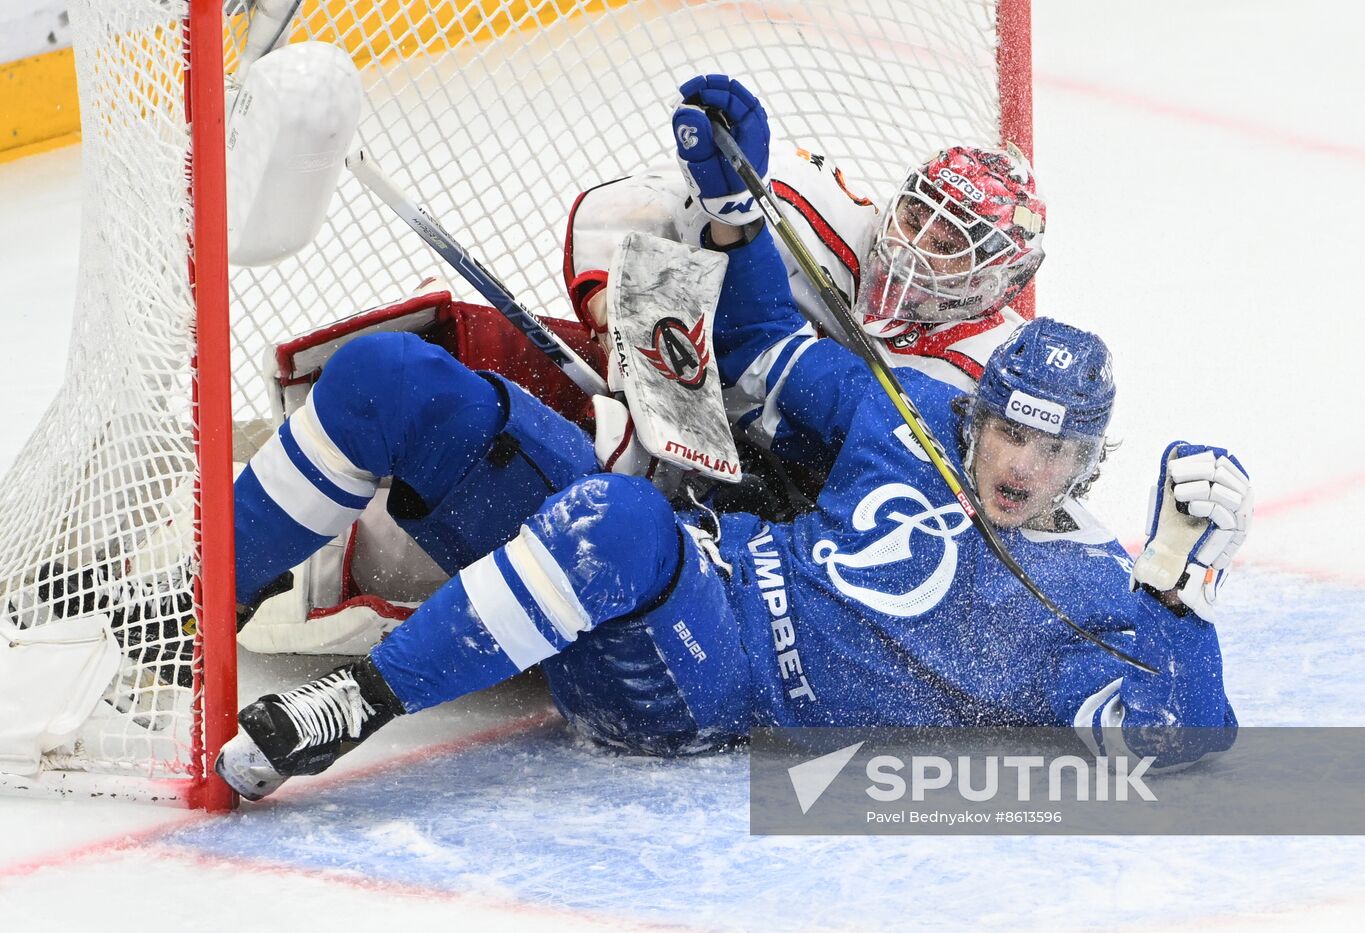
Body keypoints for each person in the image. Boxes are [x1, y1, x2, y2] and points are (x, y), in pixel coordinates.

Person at [213, 84, 1248, 802]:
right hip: (672, 557)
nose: (1025, 466)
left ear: (1088, 467)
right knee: (393, 380)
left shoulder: (1096, 589)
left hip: (705, 682)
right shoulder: (908, 418)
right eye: (1012, 434)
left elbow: (1178, 740)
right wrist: (732, 204)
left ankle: (351, 705)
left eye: (1054, 453)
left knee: (617, 521)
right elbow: (758, 342)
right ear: (974, 415)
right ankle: (194, 604)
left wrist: (1183, 593)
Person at [564, 75, 1048, 392]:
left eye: (945, 246)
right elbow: (624, 208)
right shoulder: (804, 198)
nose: (910, 248)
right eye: (914, 219)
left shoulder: (1001, 372)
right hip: (676, 388)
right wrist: (615, 314)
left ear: (990, 283)